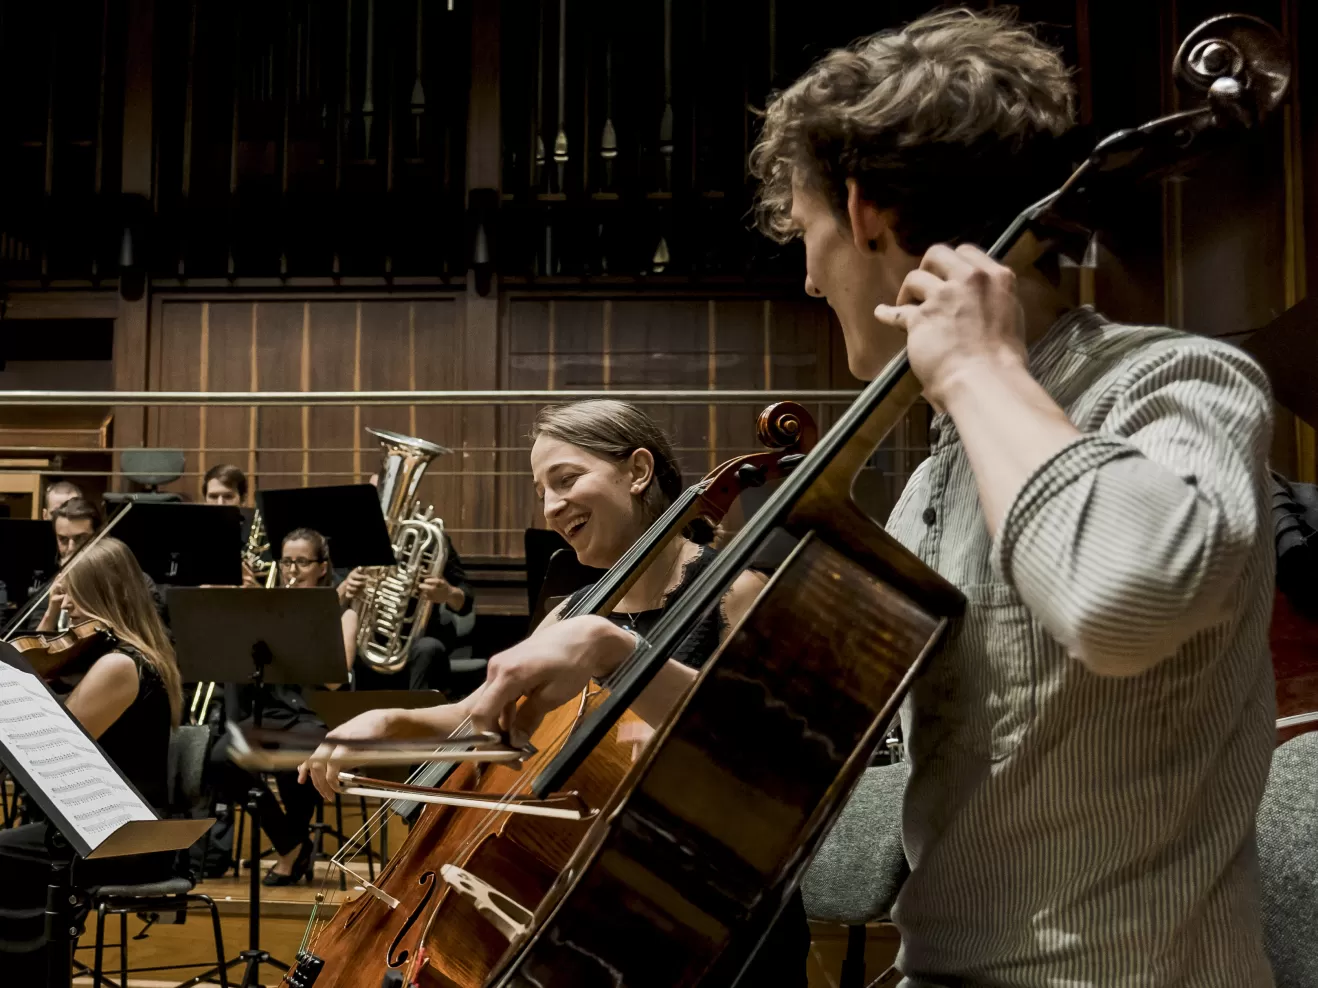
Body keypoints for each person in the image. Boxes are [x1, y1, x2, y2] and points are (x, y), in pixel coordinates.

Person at [365, 9, 1276, 986]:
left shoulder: (1178, 383)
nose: (806, 278)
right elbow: (808, 767)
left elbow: (1121, 602)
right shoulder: (935, 478)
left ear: (868, 213)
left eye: (808, 235)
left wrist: (972, 369)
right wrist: (611, 655)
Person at [301, 400, 808, 984]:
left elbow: (763, 751)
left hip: (714, 918)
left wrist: (614, 652)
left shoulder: (737, 592)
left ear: (638, 471)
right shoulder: (572, 612)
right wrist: (386, 722)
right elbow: (480, 714)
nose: (550, 507)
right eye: (541, 490)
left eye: (566, 480)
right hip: (600, 906)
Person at [0, 537, 184, 980]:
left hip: (122, 840)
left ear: (105, 594)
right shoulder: (134, 655)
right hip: (112, 832)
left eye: (74, 595)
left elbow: (47, 752)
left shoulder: (120, 665)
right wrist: (45, 622)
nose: (69, 608)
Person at [214, 527, 351, 885]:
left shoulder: (341, 608)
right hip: (272, 713)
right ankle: (291, 843)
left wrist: (288, 625)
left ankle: (290, 852)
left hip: (317, 713)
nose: (292, 570)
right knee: (219, 757)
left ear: (322, 567)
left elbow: (336, 679)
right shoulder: (268, 607)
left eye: (302, 562)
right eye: (287, 561)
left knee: (297, 758)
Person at [339, 473, 478, 693]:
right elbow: (327, 605)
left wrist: (448, 593)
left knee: (428, 649)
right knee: (340, 651)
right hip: (365, 638)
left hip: (414, 641)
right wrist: (346, 588)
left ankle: (418, 723)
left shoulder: (429, 539)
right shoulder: (355, 538)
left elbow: (466, 600)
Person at [29, 498, 166, 634]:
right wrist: (51, 612)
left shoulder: (135, 582)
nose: (71, 548)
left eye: (81, 538)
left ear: (100, 536)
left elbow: (152, 637)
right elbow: (33, 651)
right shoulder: (53, 588)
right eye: (63, 540)